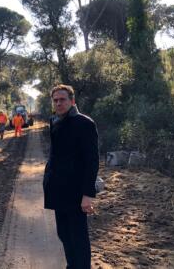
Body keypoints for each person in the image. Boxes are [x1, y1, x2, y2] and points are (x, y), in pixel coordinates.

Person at [43, 84, 99, 269]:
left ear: (72, 101)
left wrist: (88, 195)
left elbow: (92, 161)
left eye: (63, 99)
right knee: (64, 234)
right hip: (58, 189)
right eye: (56, 100)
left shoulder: (85, 123)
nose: (59, 103)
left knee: (78, 237)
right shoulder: (55, 121)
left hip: (76, 193)